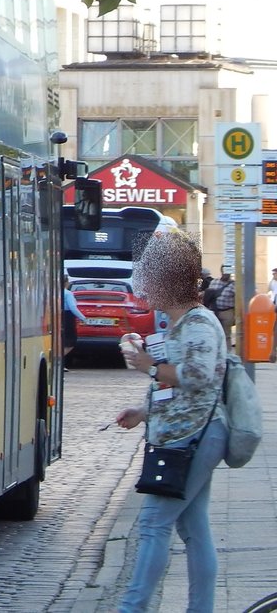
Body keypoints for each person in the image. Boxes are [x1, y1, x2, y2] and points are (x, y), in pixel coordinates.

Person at [115, 229, 227, 613]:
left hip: (192, 437)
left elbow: (197, 377)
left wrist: (150, 367)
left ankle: (132, 608)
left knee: (153, 524)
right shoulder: (181, 325)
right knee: (193, 529)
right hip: (186, 435)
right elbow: (181, 388)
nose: (144, 286)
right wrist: (143, 412)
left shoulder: (197, 324)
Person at [62, 275, 88, 369]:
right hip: (67, 317)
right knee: (70, 342)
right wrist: (83, 318)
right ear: (66, 283)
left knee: (61, 340)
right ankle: (59, 360)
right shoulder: (68, 294)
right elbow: (73, 307)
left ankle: (59, 362)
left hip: (58, 316)